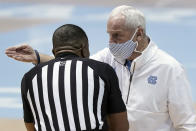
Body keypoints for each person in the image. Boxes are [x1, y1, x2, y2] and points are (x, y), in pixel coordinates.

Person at [5, 5, 196, 131]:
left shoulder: (170, 69)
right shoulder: (108, 57)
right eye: (109, 35)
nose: (110, 42)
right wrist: (38, 58)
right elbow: (77, 66)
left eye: (116, 36)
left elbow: (186, 124)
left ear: (139, 33)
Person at [18, 24, 129, 131]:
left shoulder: (29, 78)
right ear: (84, 48)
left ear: (54, 52)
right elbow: (120, 125)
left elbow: (30, 124)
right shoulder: (103, 70)